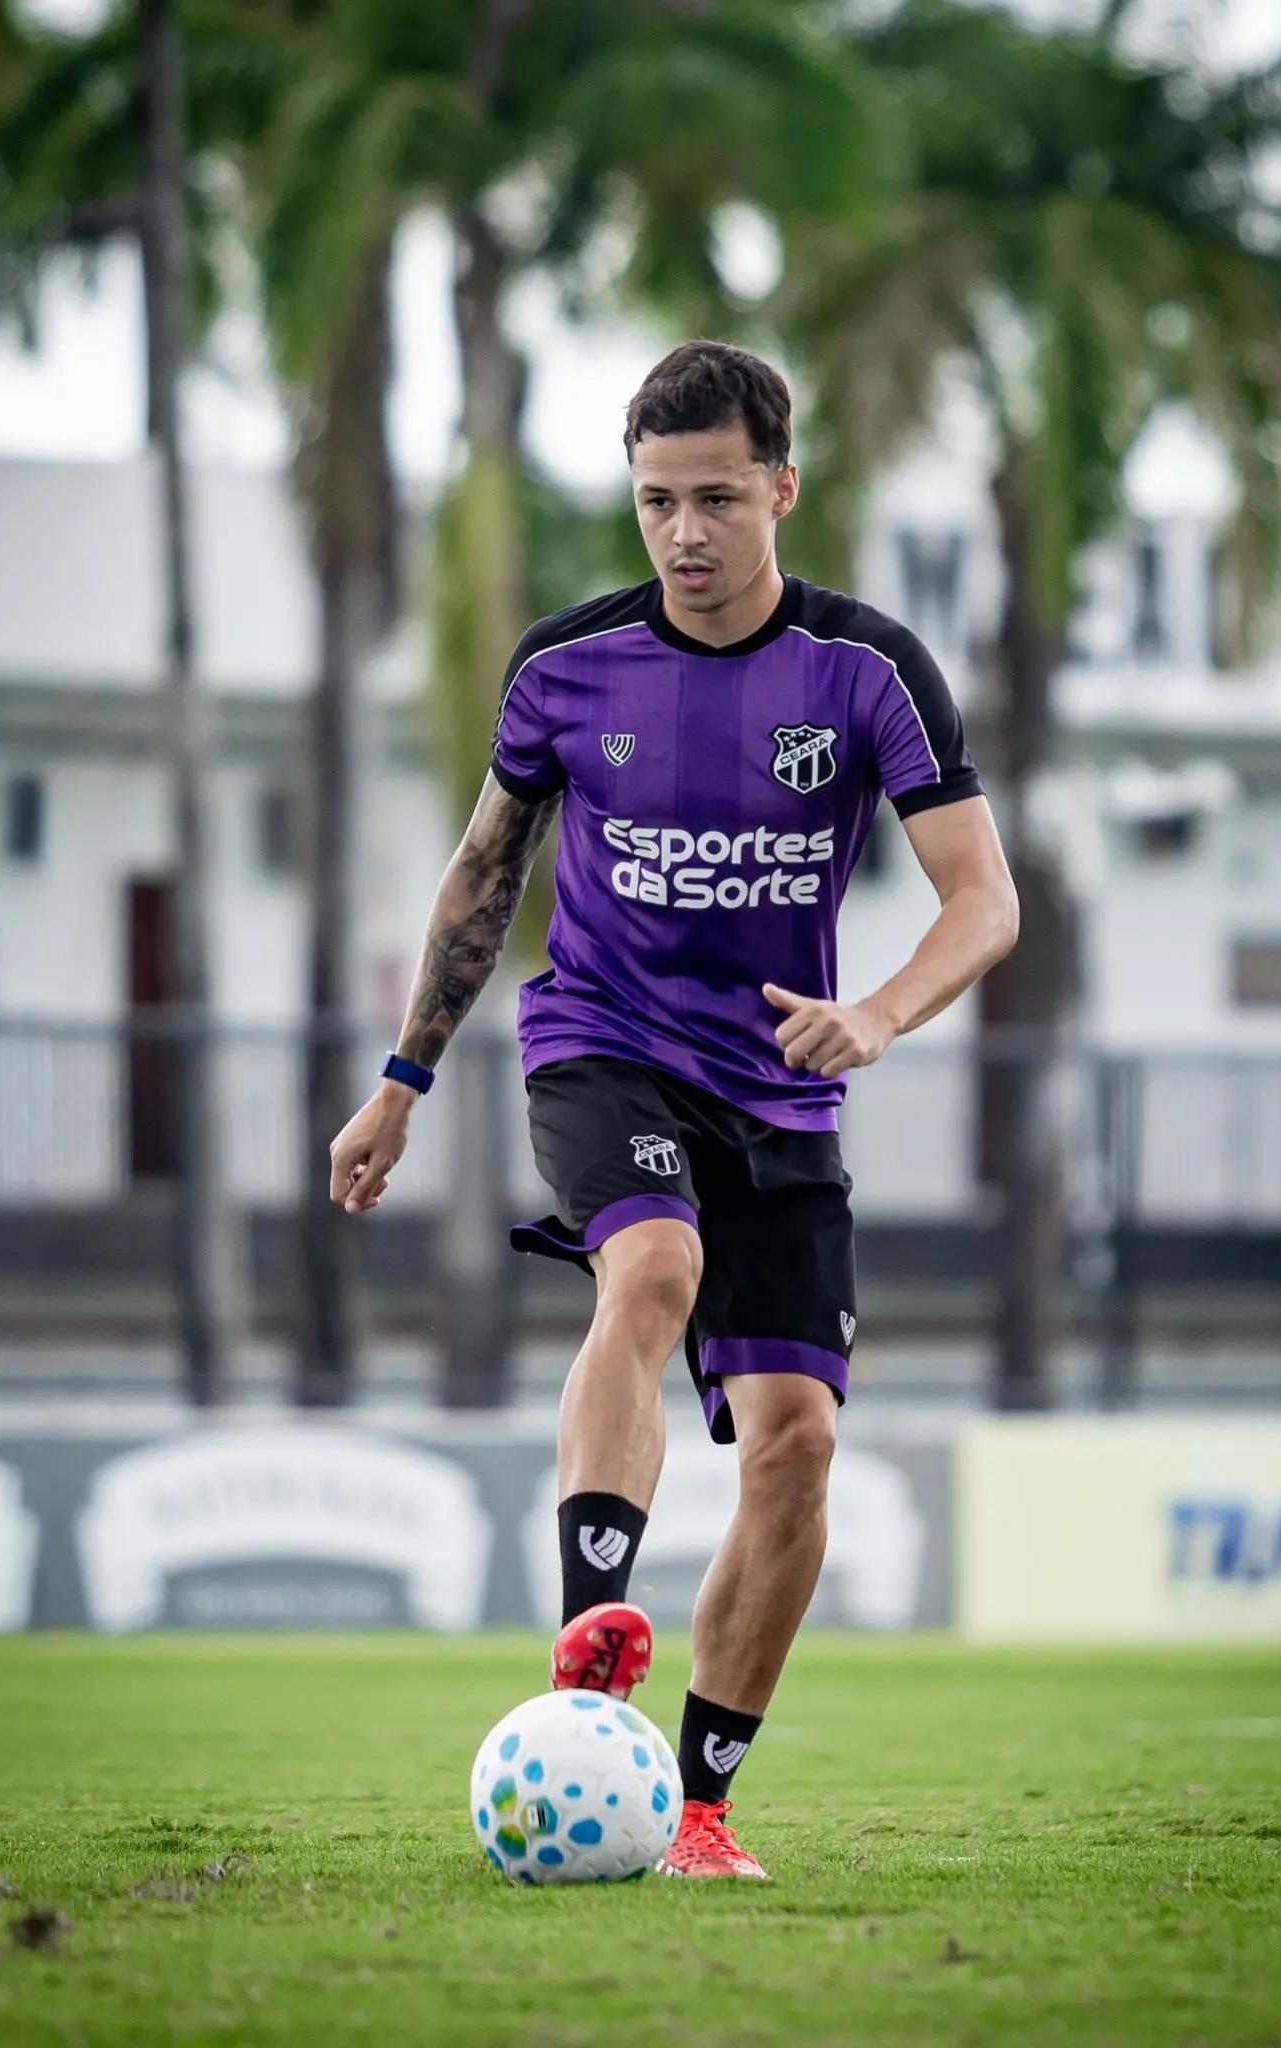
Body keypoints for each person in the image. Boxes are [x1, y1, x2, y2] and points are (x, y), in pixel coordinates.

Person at [328, 340, 1018, 1879]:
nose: (686, 533)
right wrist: (401, 1081)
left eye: (716, 497)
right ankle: (592, 1623)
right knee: (649, 1269)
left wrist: (878, 1014)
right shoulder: (567, 665)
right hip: (601, 1040)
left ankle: (699, 1808)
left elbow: (982, 902)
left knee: (793, 1452)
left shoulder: (865, 670)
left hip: (784, 1087)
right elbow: (481, 880)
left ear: (781, 489)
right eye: (656, 502)